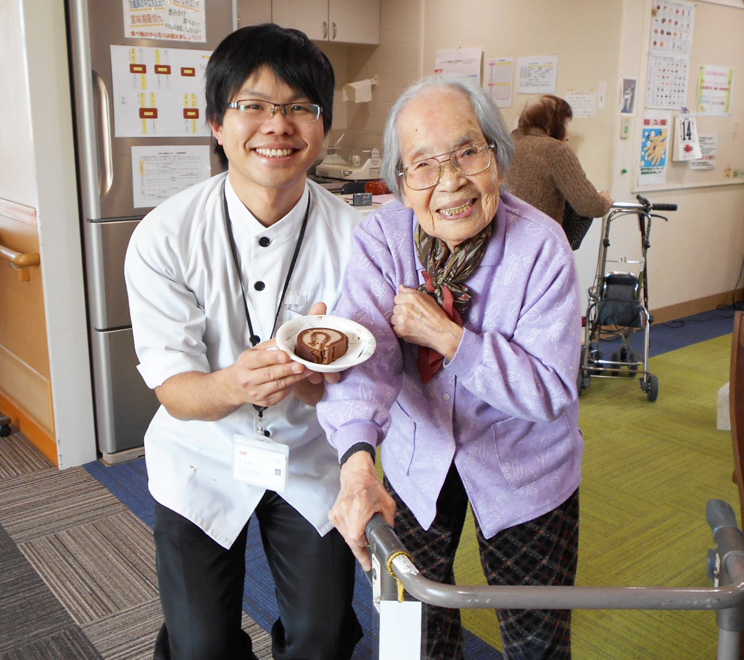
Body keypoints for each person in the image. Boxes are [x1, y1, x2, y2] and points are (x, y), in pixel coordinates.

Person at [317, 73, 583, 660]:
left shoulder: (541, 247)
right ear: (401, 183)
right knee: (414, 633)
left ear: (498, 156)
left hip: (525, 472)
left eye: (468, 151)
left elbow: (551, 388)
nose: (451, 181)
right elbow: (365, 354)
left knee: (536, 640)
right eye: (424, 165)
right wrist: (358, 460)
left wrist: (449, 337)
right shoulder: (382, 241)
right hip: (417, 463)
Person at [125, 24, 363, 660]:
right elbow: (176, 390)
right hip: (199, 452)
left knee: (325, 634)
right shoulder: (164, 236)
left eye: (299, 107)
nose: (277, 125)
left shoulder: (359, 241)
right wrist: (235, 383)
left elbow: (365, 382)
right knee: (198, 646)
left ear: (322, 124)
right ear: (215, 124)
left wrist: (323, 384)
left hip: (310, 455)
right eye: (252, 105)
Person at [505, 94, 613, 226]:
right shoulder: (555, 150)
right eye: (566, 125)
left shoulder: (508, 144)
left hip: (503, 237)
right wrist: (605, 201)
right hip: (538, 238)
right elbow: (590, 206)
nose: (568, 136)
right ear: (552, 125)